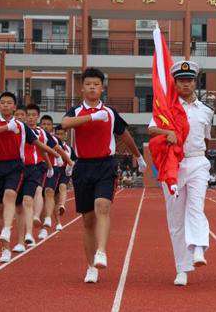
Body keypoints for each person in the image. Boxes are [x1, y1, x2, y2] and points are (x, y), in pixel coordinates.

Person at [62, 68, 147, 284]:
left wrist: (139, 156)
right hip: (83, 166)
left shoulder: (110, 113)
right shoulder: (76, 111)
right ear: (82, 88)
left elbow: (124, 135)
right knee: (88, 220)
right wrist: (91, 117)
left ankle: (101, 251)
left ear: (102, 88)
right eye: (88, 84)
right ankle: (91, 266)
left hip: (105, 165)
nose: (92, 87)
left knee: (102, 205)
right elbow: (65, 124)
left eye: (96, 84)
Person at [148, 60, 214, 287]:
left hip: (197, 162)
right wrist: (167, 132)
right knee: (176, 218)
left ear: (195, 82)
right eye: (181, 81)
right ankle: (182, 268)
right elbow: (151, 128)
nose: (186, 84)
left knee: (196, 207)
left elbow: (205, 137)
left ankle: (198, 248)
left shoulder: (206, 111)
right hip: (173, 165)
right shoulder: (165, 108)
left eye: (190, 80)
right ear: (174, 83)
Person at [0, 92, 59, 263]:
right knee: (0, 209)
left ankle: (8, 230)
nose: (6, 105)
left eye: (10, 103)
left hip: (16, 166)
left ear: (15, 107)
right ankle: (5, 248)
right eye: (3, 103)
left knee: (10, 195)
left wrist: (57, 156)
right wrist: (5, 128)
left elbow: (38, 144)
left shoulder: (22, 126)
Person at [12, 104, 58, 253]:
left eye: (32, 115)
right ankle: (19, 241)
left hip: (34, 168)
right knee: (18, 207)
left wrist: (55, 162)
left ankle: (29, 234)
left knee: (30, 198)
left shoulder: (40, 133)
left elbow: (47, 148)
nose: (29, 118)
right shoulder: (13, 130)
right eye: (25, 115)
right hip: (16, 170)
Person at [38, 114, 73, 241]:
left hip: (55, 169)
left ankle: (49, 222)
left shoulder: (55, 140)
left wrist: (69, 163)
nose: (45, 126)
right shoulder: (35, 135)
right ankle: (43, 222)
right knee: (40, 198)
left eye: (48, 124)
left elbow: (61, 151)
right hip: (37, 168)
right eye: (43, 124)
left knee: (50, 193)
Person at [54, 125, 75, 230]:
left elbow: (74, 160)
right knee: (54, 198)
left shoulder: (69, 149)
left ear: (66, 135)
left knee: (62, 186)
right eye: (57, 134)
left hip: (64, 172)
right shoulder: (51, 144)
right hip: (53, 171)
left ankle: (62, 205)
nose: (59, 136)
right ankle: (58, 222)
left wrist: (70, 168)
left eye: (61, 134)